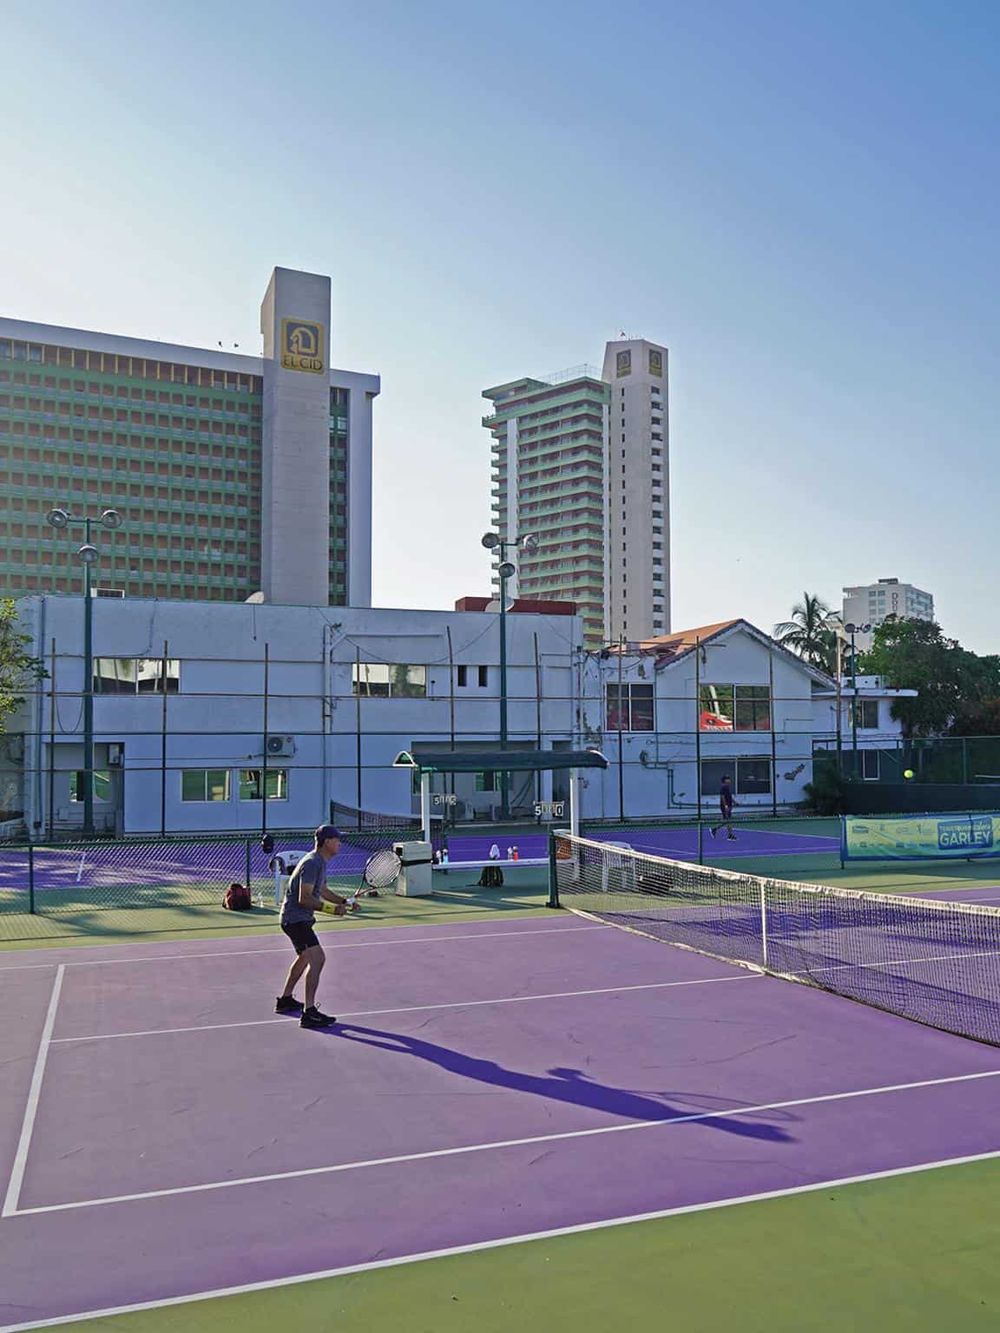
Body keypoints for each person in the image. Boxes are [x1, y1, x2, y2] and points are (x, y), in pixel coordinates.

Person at [276, 824, 351, 1029]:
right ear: (327, 842)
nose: (340, 843)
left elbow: (323, 890)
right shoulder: (312, 863)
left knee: (305, 957)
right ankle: (309, 1013)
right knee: (317, 958)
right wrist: (332, 910)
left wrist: (344, 902)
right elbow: (304, 898)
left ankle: (285, 1000)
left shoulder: (320, 862)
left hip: (296, 919)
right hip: (295, 919)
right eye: (337, 840)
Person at [710, 775, 736, 841]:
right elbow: (723, 797)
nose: (729, 780)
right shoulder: (723, 787)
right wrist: (726, 806)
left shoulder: (727, 787)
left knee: (727, 821)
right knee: (728, 820)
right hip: (725, 807)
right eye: (728, 779)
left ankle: (716, 830)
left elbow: (729, 797)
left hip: (729, 806)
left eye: (729, 779)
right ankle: (728, 834)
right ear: (724, 781)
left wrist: (735, 802)